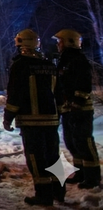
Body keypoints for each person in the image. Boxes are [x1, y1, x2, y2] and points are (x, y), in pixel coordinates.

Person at [4, 29, 63, 206]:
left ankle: (43, 195)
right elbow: (59, 93)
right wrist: (59, 113)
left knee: (36, 158)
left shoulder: (20, 65)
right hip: (51, 119)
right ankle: (59, 192)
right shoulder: (49, 65)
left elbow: (15, 93)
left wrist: (8, 117)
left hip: (31, 120)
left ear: (21, 43)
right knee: (53, 156)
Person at [54, 29, 100, 189]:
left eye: (60, 41)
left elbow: (84, 83)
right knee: (72, 142)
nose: (58, 44)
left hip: (81, 109)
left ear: (69, 41)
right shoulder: (64, 60)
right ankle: (81, 172)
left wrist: (77, 102)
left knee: (84, 141)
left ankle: (93, 176)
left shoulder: (78, 60)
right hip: (68, 110)